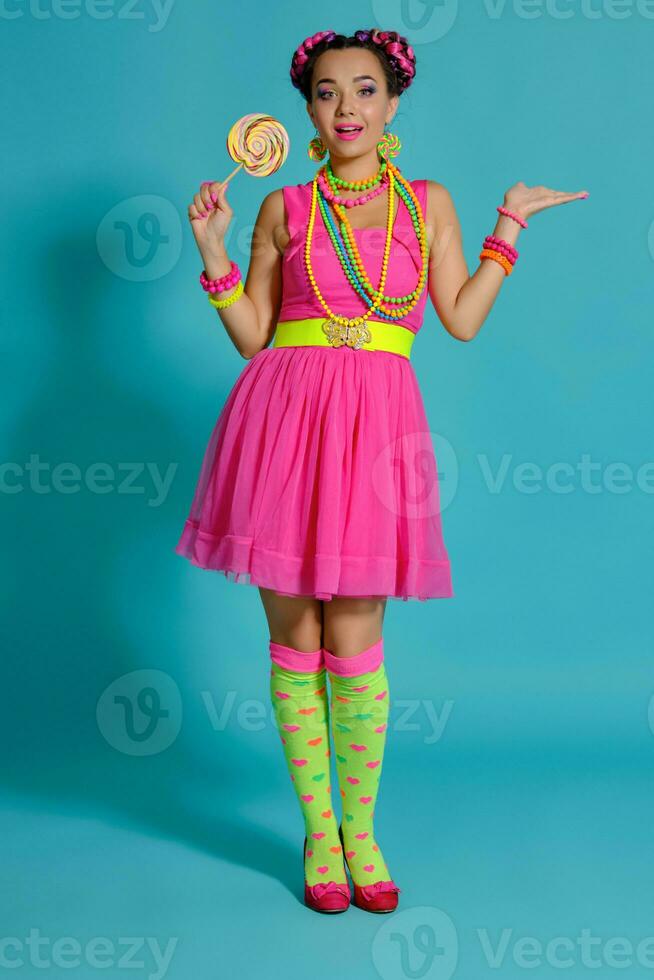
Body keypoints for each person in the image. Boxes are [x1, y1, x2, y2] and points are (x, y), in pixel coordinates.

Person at [175, 28, 589, 915]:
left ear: (393, 103)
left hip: (374, 437)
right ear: (307, 112)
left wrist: (507, 225)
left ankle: (361, 832)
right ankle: (319, 837)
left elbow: (462, 319)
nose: (348, 108)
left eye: (365, 91)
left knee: (355, 638)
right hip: (281, 425)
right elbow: (253, 336)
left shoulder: (428, 202)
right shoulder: (284, 207)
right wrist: (213, 249)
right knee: (298, 642)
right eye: (327, 94)